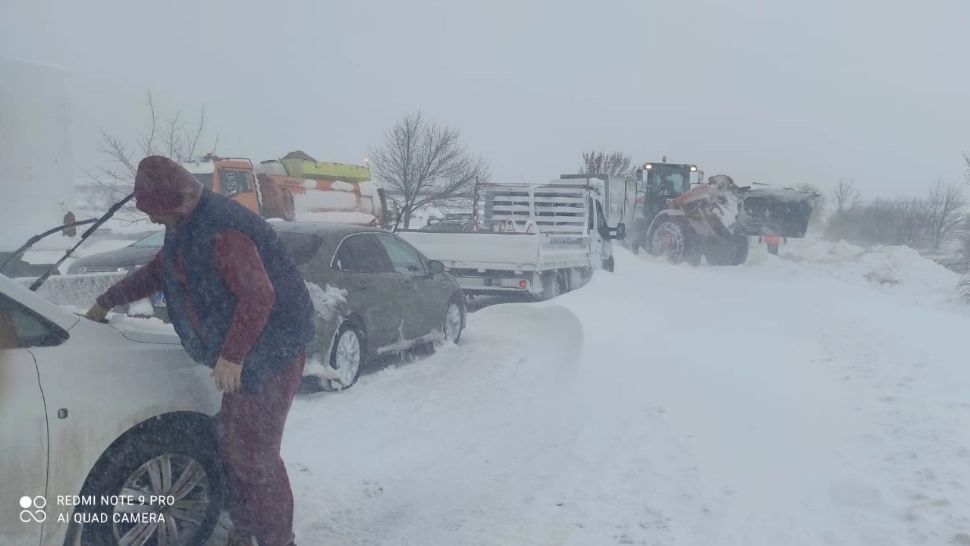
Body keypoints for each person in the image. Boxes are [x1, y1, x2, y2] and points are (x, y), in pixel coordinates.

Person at [86, 155, 315, 546]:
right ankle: (245, 533)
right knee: (233, 448)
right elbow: (160, 271)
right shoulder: (186, 226)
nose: (153, 221)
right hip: (247, 350)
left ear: (177, 204)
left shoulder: (222, 230)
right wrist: (107, 301)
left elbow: (259, 296)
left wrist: (234, 355)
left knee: (255, 456)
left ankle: (277, 539)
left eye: (157, 213)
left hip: (273, 351)